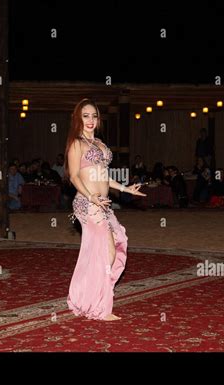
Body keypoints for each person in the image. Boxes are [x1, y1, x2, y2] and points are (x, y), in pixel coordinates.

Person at [65, 98, 146, 321]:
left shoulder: (100, 144)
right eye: (85, 116)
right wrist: (91, 196)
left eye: (94, 116)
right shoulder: (76, 144)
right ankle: (100, 307)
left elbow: (103, 177)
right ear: (78, 119)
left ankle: (87, 294)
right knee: (106, 252)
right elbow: (73, 176)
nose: (90, 120)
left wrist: (125, 188)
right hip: (87, 203)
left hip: (103, 203)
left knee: (118, 243)